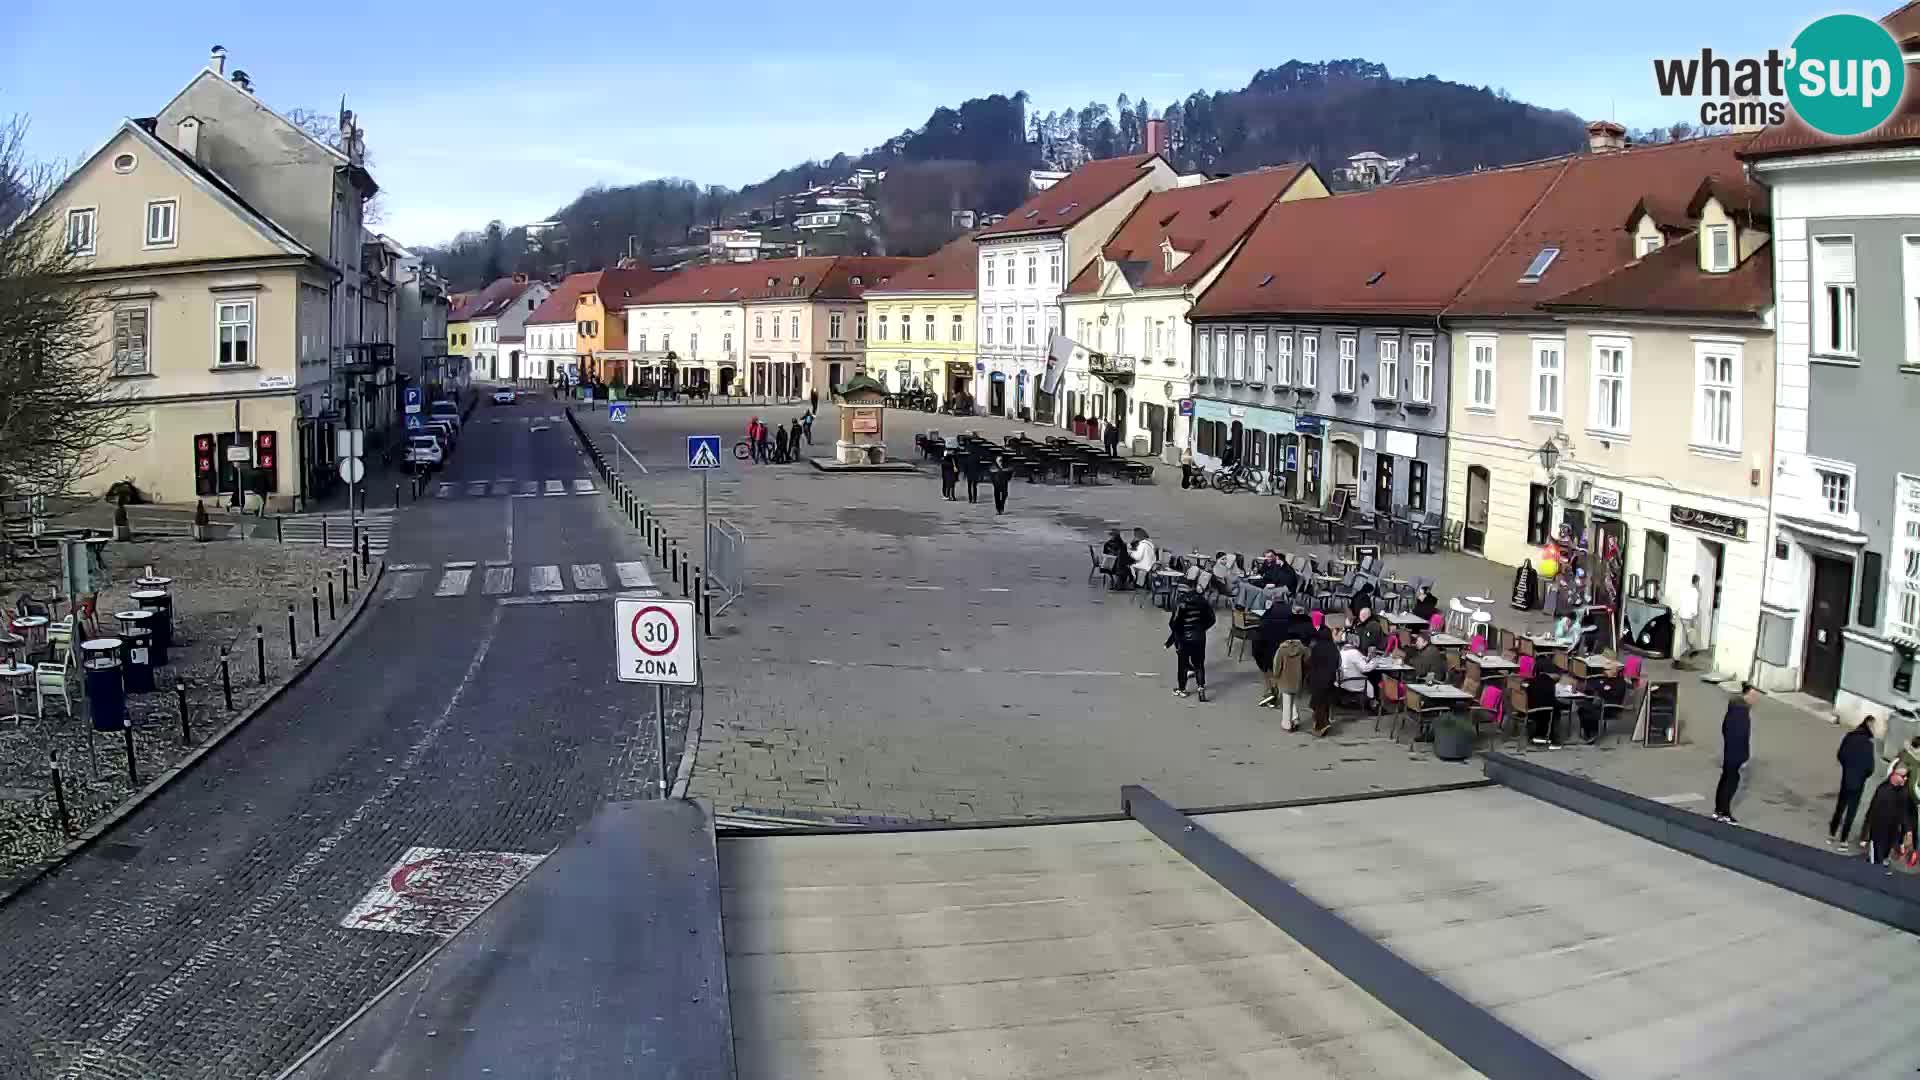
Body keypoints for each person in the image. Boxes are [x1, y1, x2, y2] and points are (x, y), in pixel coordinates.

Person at [1832, 716, 1879, 847]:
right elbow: (1871, 767)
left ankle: (1832, 834)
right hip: (1859, 782)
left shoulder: (1850, 737)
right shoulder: (1868, 744)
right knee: (1851, 811)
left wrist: (1847, 767)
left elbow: (1841, 754)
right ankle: (1843, 840)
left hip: (1847, 777)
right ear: (1869, 726)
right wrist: (1863, 774)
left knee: (1840, 807)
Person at [1713, 683, 1756, 824]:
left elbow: (1725, 729)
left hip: (1730, 752)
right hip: (1734, 754)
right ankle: (1724, 812)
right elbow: (1740, 735)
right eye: (1753, 696)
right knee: (1730, 782)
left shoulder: (1735, 708)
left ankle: (1719, 810)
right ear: (1746, 695)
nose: (1755, 699)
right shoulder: (1741, 712)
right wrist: (1743, 755)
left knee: (1725, 779)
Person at [1166, 578, 1215, 701]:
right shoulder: (1202, 601)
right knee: (1199, 665)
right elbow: (1212, 619)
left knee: (1182, 665)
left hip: (1184, 638)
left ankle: (1182, 689)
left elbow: (1173, 622)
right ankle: (1201, 688)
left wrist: (1177, 633)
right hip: (1199, 637)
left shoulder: (1181, 601)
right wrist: (1202, 628)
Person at [1864, 765, 1917, 868]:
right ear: (1895, 775)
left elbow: (1904, 812)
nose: (1906, 779)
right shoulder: (1883, 790)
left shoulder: (1904, 791)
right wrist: (1865, 834)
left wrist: (1908, 830)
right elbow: (1872, 811)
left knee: (1884, 855)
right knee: (1875, 859)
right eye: (1904, 776)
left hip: (1892, 829)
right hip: (1878, 829)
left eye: (1907, 776)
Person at [1306, 625, 1341, 737]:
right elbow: (1338, 663)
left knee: (1317, 704)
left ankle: (1322, 725)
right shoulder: (1333, 648)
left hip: (1317, 679)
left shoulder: (1316, 648)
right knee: (1325, 703)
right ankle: (1322, 723)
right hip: (1329, 678)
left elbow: (1310, 663)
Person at [1527, 656, 1565, 748]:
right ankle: (1555, 739)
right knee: (1557, 709)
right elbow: (1551, 698)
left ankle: (1539, 735)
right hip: (1545, 709)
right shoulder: (1549, 681)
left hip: (1532, 708)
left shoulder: (1531, 681)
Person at [1671, 574, 1701, 660]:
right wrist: (1695, 614)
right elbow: (1694, 605)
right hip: (1688, 616)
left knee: (1680, 635)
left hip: (1681, 614)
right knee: (1690, 632)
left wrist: (1676, 612)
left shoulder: (1685, 590)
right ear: (1697, 582)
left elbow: (1680, 601)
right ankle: (1692, 649)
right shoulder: (1695, 592)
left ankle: (1677, 656)